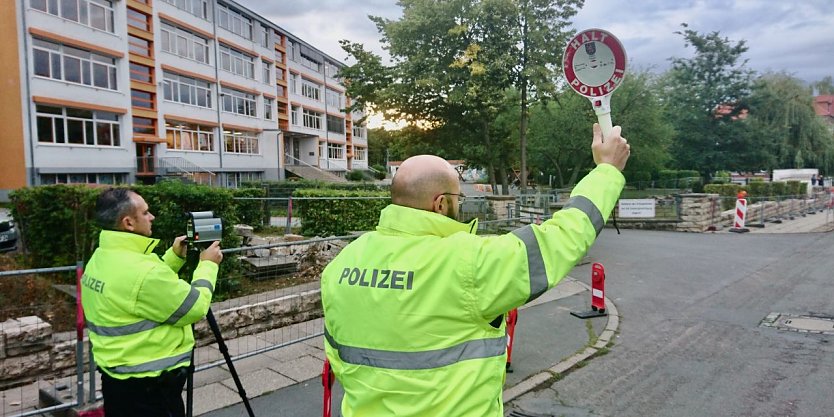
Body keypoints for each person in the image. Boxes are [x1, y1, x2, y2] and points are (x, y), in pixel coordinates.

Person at [321, 123, 630, 417]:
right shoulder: (469, 262)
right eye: (459, 198)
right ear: (440, 204)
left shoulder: (341, 266)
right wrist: (607, 171)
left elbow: (338, 357)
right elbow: (563, 237)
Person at [81, 188, 222, 417]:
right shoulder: (143, 271)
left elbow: (138, 292)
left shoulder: (102, 257)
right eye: (145, 212)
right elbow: (195, 307)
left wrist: (174, 257)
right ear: (128, 223)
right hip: (150, 391)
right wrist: (208, 265)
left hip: (117, 381)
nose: (152, 217)